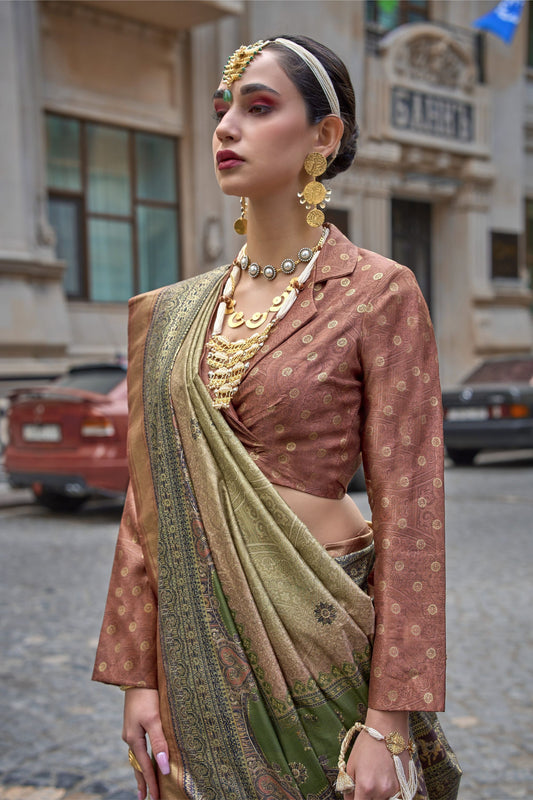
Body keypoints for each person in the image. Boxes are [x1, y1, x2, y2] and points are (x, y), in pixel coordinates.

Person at [93, 35, 461, 800]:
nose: (226, 127)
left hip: (318, 643)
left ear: (322, 138)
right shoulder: (173, 314)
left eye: (258, 108)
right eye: (224, 109)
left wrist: (388, 717)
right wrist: (137, 680)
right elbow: (146, 504)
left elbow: (414, 516)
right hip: (195, 655)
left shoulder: (376, 294)